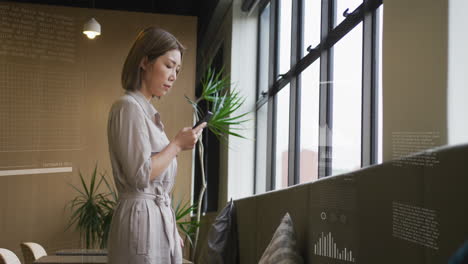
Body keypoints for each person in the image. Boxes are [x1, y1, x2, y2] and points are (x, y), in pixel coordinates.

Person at [107, 26, 206, 264]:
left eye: (178, 70)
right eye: (169, 65)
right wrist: (176, 146)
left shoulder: (150, 116)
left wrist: (167, 226)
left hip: (155, 221)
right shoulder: (128, 107)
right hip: (141, 223)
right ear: (145, 62)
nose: (173, 76)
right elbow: (140, 175)